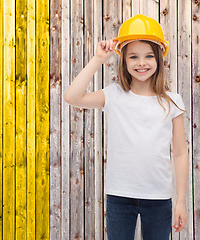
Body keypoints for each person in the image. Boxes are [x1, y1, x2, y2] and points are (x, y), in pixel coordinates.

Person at [64, 14, 188, 240]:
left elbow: (180, 153)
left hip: (159, 198)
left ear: (159, 59)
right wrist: (97, 59)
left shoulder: (172, 101)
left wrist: (180, 201)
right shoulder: (114, 95)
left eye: (149, 56)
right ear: (124, 61)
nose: (142, 63)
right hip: (119, 196)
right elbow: (72, 97)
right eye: (134, 56)